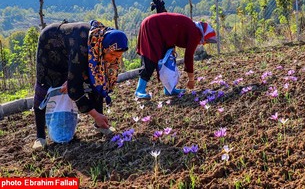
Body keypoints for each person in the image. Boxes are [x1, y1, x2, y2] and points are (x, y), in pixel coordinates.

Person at [32, 20, 128, 149]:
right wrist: (94, 114)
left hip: (69, 49)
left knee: (96, 79)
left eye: (118, 56)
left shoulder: (99, 41)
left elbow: (95, 80)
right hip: (50, 44)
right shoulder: (82, 47)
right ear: (103, 47)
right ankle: (40, 137)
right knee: (43, 86)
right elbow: (74, 90)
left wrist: (74, 79)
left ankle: (100, 125)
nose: (113, 59)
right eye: (111, 54)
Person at [135, 12, 217, 100]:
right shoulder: (196, 33)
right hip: (152, 26)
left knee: (167, 59)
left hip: (160, 31)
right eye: (206, 41)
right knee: (151, 58)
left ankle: (169, 88)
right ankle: (140, 90)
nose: (204, 43)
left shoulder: (193, 28)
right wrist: (191, 79)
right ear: (204, 35)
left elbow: (174, 32)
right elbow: (188, 56)